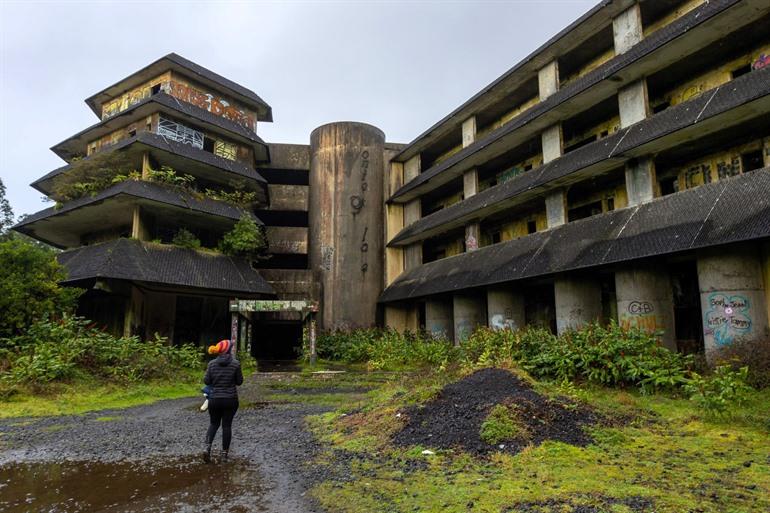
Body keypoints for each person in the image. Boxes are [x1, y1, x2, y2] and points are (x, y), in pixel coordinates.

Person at [203, 339, 243, 463]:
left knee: (213, 424)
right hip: (230, 400)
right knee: (227, 426)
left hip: (214, 399)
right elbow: (239, 382)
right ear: (229, 350)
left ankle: (207, 448)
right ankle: (224, 454)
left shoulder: (211, 364)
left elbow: (207, 381)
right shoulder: (236, 364)